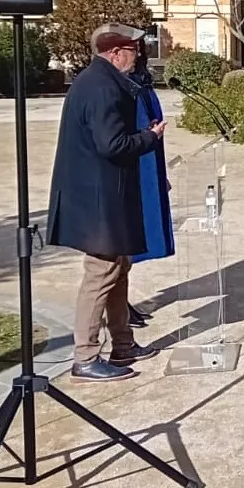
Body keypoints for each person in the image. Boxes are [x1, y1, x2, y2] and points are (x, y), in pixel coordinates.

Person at [47, 23, 164, 382]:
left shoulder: (98, 80)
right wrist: (149, 137)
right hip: (98, 200)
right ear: (116, 53)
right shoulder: (102, 87)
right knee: (100, 274)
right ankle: (85, 356)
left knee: (118, 267)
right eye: (134, 52)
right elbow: (112, 145)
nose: (138, 58)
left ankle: (123, 344)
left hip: (103, 195)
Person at [127, 47, 173, 328]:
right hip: (130, 171)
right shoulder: (119, 88)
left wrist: (159, 174)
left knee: (135, 236)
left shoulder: (141, 83)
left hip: (147, 163)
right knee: (124, 241)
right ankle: (117, 305)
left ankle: (121, 302)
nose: (139, 54)